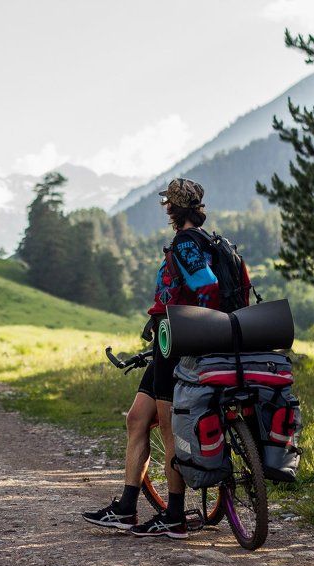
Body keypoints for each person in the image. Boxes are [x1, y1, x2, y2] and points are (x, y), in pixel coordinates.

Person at [82, 178, 219, 539]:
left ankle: (174, 514)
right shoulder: (205, 242)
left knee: (169, 424)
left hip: (179, 343)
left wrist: (197, 327)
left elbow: (206, 286)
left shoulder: (187, 243)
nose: (167, 210)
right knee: (137, 418)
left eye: (168, 205)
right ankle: (126, 508)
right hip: (167, 341)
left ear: (173, 208)